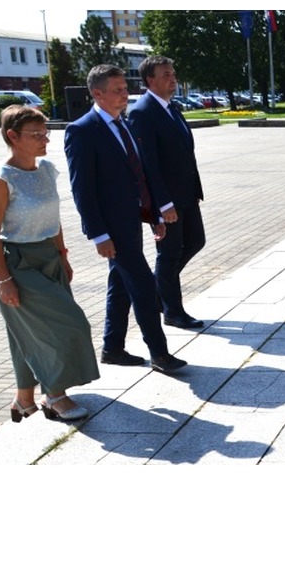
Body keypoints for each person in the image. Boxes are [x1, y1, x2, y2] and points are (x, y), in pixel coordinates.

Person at [64, 64, 187, 373]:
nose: (125, 95)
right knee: (145, 285)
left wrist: (154, 213)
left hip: (133, 221)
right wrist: (98, 235)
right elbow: (83, 189)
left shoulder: (126, 124)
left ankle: (113, 347)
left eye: (125, 88)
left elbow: (140, 175)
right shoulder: (82, 131)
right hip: (111, 229)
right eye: (117, 90)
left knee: (120, 284)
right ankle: (159, 353)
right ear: (97, 93)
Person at [0, 105, 99, 422]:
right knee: (70, 323)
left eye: (45, 132)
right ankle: (55, 395)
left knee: (24, 332)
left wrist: (62, 255)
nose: (45, 139)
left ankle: (23, 400)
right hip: (18, 263)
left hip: (50, 256)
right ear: (12, 137)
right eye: (36, 135)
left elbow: (53, 217)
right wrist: (4, 280)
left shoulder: (46, 169)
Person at [128, 56, 206, 330]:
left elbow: (185, 154)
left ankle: (159, 288)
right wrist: (162, 204)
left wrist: (194, 190)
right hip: (168, 201)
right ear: (150, 80)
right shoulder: (142, 112)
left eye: (173, 73)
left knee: (196, 241)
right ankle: (172, 310)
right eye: (166, 74)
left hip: (186, 196)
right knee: (169, 254)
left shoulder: (172, 108)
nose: (173, 78)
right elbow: (148, 165)